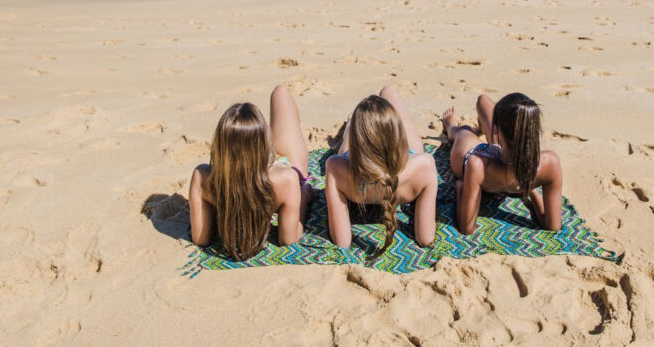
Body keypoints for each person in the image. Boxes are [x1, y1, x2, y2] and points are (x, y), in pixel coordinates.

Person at [188, 84, 313, 260]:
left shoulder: (203, 177)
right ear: (264, 145)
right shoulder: (287, 179)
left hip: (247, 171)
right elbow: (288, 240)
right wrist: (304, 198)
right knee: (280, 93)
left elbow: (201, 238)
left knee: (279, 96)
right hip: (275, 169)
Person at [325, 85, 438, 257]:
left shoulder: (336, 167)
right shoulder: (424, 166)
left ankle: (350, 124)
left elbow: (342, 241)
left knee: (355, 126)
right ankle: (368, 124)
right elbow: (425, 238)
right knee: (389, 91)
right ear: (398, 137)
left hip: (357, 170)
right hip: (405, 171)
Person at [440, 92, 563, 235]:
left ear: (496, 130)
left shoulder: (477, 164)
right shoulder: (550, 163)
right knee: (483, 100)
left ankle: (450, 126)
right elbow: (553, 226)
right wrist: (532, 192)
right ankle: (483, 127)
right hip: (508, 158)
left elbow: (467, 229)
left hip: (481, 160)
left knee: (464, 132)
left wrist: (461, 188)